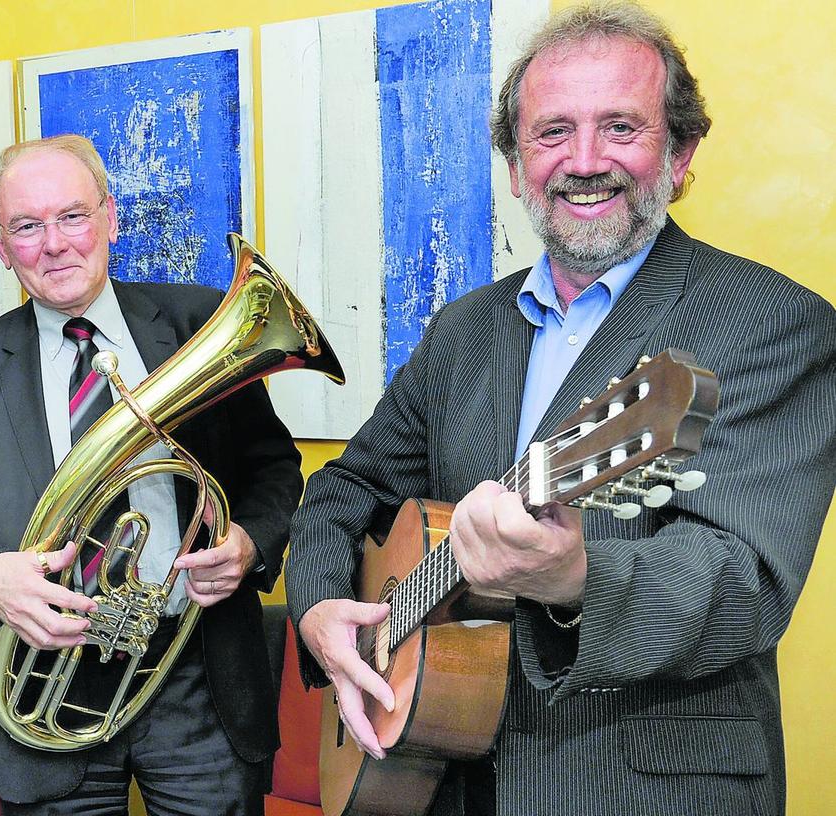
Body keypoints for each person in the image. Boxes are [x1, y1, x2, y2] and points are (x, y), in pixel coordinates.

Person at [287, 3, 836, 815]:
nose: (583, 162)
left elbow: (742, 586)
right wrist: (318, 609)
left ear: (680, 153)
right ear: (515, 167)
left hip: (639, 790)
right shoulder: (462, 330)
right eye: (551, 133)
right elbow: (345, 489)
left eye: (620, 127)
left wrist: (574, 577)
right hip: (441, 772)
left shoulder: (771, 320)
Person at [0, 134, 303, 815]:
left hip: (196, 676)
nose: (54, 244)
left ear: (110, 219)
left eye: (72, 216)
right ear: (1, 246)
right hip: (47, 680)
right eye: (26, 227)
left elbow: (272, 469)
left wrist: (247, 544)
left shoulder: (198, 323)